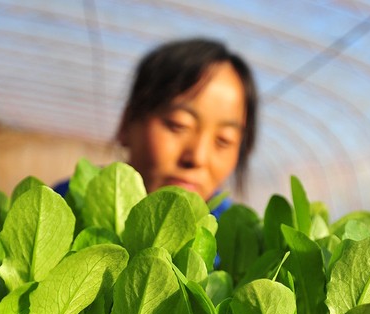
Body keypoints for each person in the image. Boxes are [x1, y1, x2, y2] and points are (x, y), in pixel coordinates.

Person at [56, 37, 258, 217]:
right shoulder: (65, 205)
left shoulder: (238, 243)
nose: (197, 157)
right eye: (178, 125)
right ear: (126, 124)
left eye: (224, 140)